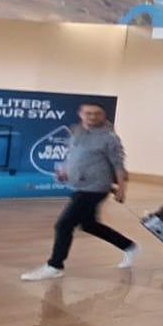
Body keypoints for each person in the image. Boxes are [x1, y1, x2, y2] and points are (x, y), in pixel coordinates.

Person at [21, 102, 138, 280]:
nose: (92, 117)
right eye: (88, 113)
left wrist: (122, 189)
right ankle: (129, 246)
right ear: (81, 114)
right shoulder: (76, 131)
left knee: (64, 224)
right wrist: (65, 173)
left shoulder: (109, 137)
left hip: (95, 188)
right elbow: (75, 157)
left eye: (97, 113)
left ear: (103, 115)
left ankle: (55, 265)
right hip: (78, 185)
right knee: (89, 224)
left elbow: (118, 164)